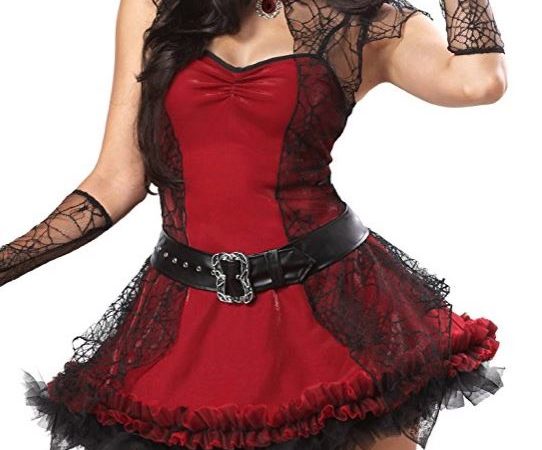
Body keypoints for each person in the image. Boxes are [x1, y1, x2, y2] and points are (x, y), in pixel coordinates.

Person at [0, 0, 507, 449]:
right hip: (190, 315)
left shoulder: (368, 20)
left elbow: (480, 81)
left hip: (335, 309)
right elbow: (116, 180)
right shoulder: (157, 6)